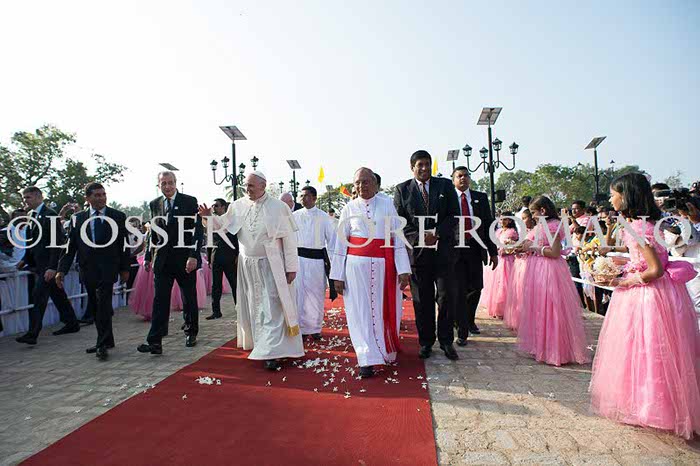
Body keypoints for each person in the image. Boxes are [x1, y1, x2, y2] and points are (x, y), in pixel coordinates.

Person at [590, 173, 700, 439]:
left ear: (627, 196)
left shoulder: (638, 228)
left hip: (648, 295)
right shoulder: (643, 223)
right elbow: (645, 258)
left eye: (614, 194)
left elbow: (655, 269)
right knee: (650, 351)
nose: (610, 200)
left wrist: (624, 280)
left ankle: (652, 407)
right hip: (660, 293)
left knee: (647, 349)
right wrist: (623, 262)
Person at [200, 171, 303, 371]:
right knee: (254, 306)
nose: (247, 189)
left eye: (251, 186)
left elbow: (290, 240)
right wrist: (209, 217)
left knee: (272, 306)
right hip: (247, 264)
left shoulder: (279, 207)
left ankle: (272, 352)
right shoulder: (237, 205)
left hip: (271, 264)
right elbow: (223, 226)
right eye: (246, 186)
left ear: (263, 185)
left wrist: (291, 267)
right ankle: (260, 344)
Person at [331, 168, 411, 377]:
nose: (361, 186)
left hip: (384, 266)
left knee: (382, 309)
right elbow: (340, 243)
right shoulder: (348, 208)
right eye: (357, 183)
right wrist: (337, 275)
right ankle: (365, 357)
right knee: (359, 311)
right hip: (355, 268)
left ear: (375, 184)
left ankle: (383, 351)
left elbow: (397, 238)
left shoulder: (387, 205)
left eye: (366, 182)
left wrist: (403, 269)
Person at [394, 150, 460, 360]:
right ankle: (426, 342)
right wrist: (421, 236)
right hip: (418, 256)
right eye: (420, 165)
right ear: (412, 167)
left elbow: (454, 215)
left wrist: (437, 233)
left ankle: (446, 341)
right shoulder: (402, 189)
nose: (424, 168)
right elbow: (399, 222)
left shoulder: (445, 185)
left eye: (427, 164)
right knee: (422, 300)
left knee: (446, 297)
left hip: (443, 252)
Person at [56, 183, 129, 360]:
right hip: (88, 268)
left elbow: (124, 245)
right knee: (96, 306)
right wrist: (61, 270)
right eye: (97, 195)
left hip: (108, 267)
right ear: (87, 198)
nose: (101, 198)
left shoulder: (117, 216)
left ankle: (101, 344)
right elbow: (70, 246)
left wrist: (125, 268)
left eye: (103, 194)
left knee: (103, 303)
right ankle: (107, 339)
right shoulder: (78, 218)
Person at [515, 196, 590, 366]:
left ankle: (555, 350)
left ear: (543, 211)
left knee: (551, 308)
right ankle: (541, 346)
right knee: (539, 308)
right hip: (537, 268)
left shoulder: (553, 226)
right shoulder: (541, 226)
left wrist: (534, 248)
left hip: (548, 270)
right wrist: (523, 248)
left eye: (533, 212)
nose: (532, 216)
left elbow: (555, 252)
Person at [137, 171, 203, 355]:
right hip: (162, 261)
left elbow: (197, 230)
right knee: (160, 300)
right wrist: (148, 255)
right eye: (163, 183)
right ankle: (155, 341)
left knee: (188, 298)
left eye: (170, 182)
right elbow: (153, 232)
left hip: (185, 260)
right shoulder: (154, 204)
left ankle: (191, 332)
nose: (167, 186)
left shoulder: (189, 201)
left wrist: (193, 255)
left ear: (176, 183)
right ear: (158, 185)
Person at [15, 187, 80, 345]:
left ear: (38, 197)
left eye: (28, 197)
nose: (25, 200)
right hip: (38, 264)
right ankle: (71, 322)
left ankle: (32, 333)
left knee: (38, 296)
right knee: (57, 294)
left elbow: (56, 243)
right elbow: (31, 242)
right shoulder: (31, 215)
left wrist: (52, 267)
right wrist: (25, 259)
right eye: (24, 198)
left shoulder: (50, 215)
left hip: (48, 265)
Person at [451, 167, 497, 343]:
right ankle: (461, 322)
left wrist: (493, 252)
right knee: (458, 289)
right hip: (454, 249)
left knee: (476, 287)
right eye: (459, 176)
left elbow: (488, 224)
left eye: (466, 175)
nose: (463, 178)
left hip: (475, 248)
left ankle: (468, 319)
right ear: (453, 180)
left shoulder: (480, 198)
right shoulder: (448, 197)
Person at [294, 186, 337, 340]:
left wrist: (333, 264)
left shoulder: (324, 217)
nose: (302, 199)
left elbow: (332, 241)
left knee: (316, 294)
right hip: (298, 260)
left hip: (317, 261)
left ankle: (315, 328)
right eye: (301, 196)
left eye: (306, 196)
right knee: (299, 295)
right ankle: (301, 329)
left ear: (314, 198)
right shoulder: (294, 216)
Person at [205, 198, 238, 320]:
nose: (214, 208)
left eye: (216, 205)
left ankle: (240, 310)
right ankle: (216, 312)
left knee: (235, 285)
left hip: (230, 258)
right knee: (216, 286)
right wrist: (209, 259)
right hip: (216, 258)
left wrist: (237, 255)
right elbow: (209, 241)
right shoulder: (211, 222)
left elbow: (236, 239)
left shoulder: (231, 221)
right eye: (213, 205)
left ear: (223, 207)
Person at [481, 213, 518, 319]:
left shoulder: (512, 232)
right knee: (495, 284)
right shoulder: (499, 231)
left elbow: (511, 247)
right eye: (501, 219)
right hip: (498, 259)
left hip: (506, 261)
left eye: (504, 219)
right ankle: (496, 307)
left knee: (504, 285)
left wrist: (502, 249)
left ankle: (505, 309)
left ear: (510, 220)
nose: (502, 221)